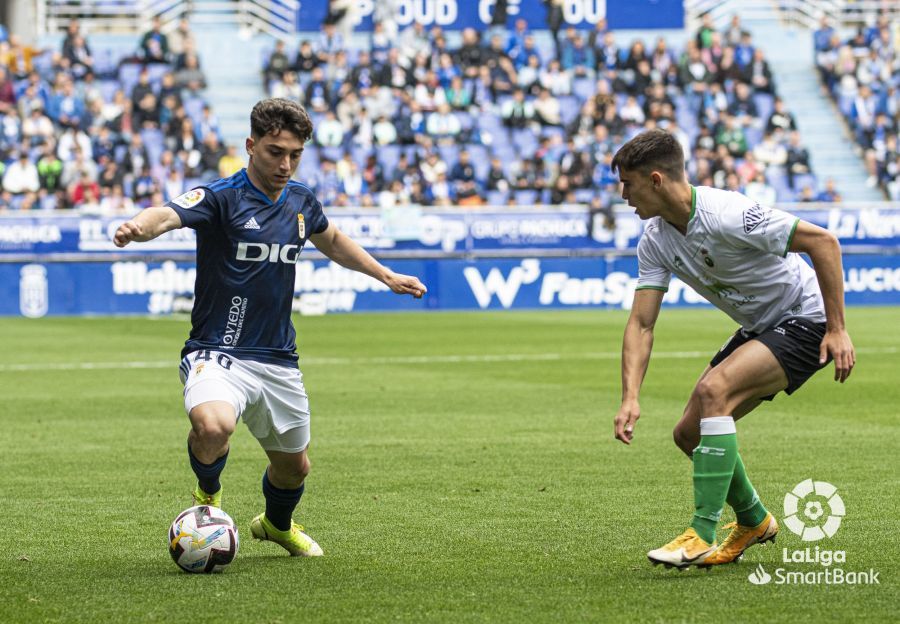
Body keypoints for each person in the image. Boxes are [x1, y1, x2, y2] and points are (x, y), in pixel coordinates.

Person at [113, 98, 427, 557]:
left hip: (277, 357)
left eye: (295, 154)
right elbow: (167, 213)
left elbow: (333, 240)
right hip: (216, 349)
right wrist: (137, 228)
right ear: (251, 145)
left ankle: (277, 526)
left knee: (294, 468)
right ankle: (208, 500)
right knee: (213, 425)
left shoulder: (301, 200)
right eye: (275, 151)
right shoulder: (223, 196)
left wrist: (386, 275)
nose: (285, 164)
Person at [610, 129, 854, 569]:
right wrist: (630, 396)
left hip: (806, 318)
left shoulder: (729, 213)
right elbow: (642, 323)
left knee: (714, 393)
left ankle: (700, 533)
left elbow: (824, 243)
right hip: (763, 325)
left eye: (628, 183)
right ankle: (754, 520)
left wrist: (837, 329)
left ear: (657, 180)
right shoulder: (655, 239)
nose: (622, 194)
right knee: (689, 433)